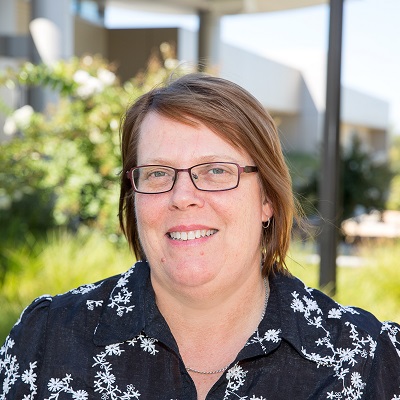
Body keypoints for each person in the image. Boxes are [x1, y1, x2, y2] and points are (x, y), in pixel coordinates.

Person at [0, 73, 399, 400]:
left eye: (216, 171)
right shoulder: (46, 340)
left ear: (267, 200)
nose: (183, 197)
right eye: (157, 173)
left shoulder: (371, 361)